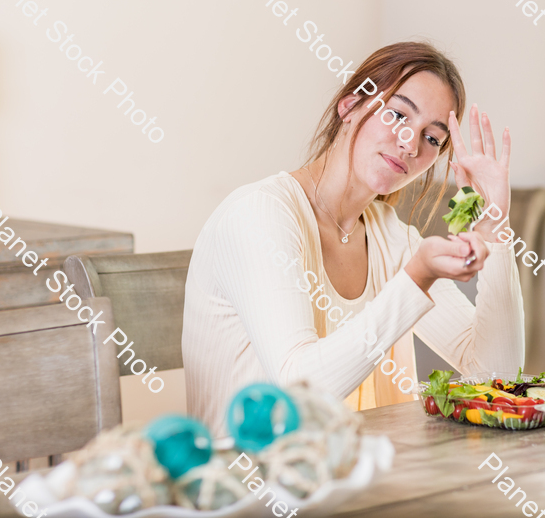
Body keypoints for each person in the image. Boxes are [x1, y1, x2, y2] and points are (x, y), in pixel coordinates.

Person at [182, 41, 525, 436]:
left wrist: (495, 227)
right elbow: (299, 391)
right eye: (397, 114)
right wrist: (415, 279)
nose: (410, 144)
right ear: (350, 106)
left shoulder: (390, 236)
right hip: (249, 486)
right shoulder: (258, 214)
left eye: (432, 138)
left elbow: (496, 371)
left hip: (358, 481)